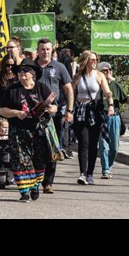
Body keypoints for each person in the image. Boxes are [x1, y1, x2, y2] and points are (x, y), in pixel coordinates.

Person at [0, 62, 57, 202]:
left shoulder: (42, 88)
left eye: (26, 70)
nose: (22, 73)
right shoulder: (12, 90)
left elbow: (54, 107)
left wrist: (50, 109)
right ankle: (24, 191)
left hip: (39, 131)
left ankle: (35, 185)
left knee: (39, 161)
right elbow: (2, 110)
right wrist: (17, 113)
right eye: (19, 71)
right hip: (19, 131)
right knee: (20, 160)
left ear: (33, 74)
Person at [33, 38, 73, 194]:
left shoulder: (59, 67)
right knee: (36, 149)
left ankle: (48, 182)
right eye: (42, 49)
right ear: (38, 50)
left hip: (53, 114)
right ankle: (36, 178)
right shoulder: (30, 66)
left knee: (52, 148)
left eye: (48, 49)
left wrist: (69, 111)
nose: (45, 52)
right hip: (33, 114)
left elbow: (69, 89)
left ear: (52, 50)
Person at [70, 50, 114, 186]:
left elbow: (107, 91)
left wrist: (111, 104)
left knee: (93, 144)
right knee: (83, 142)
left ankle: (90, 173)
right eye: (92, 60)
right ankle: (82, 173)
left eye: (96, 59)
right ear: (86, 61)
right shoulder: (78, 77)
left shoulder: (99, 75)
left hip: (94, 111)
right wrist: (69, 110)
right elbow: (71, 93)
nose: (95, 62)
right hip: (81, 110)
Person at [97, 61, 129, 179]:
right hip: (102, 116)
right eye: (105, 70)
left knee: (114, 147)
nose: (108, 72)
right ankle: (105, 169)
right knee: (103, 145)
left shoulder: (116, 85)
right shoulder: (97, 85)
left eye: (109, 70)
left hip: (114, 117)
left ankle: (109, 166)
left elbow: (125, 100)